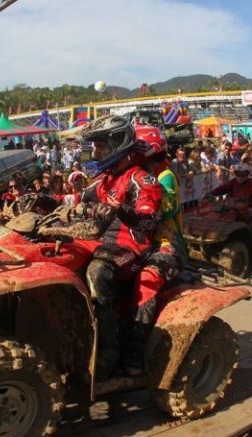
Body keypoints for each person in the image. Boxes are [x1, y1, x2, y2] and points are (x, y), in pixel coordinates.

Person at [75, 115, 162, 379]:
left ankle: (107, 354)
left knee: (97, 272)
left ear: (117, 143)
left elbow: (149, 218)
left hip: (131, 245)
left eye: (100, 146)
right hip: (99, 241)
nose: (96, 152)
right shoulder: (104, 178)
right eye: (95, 147)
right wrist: (44, 199)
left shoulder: (140, 179)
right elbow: (75, 198)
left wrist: (119, 209)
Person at [126, 125, 187, 375]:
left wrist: (134, 207)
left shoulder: (165, 175)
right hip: (143, 241)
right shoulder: (136, 174)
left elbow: (166, 208)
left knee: (147, 279)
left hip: (167, 242)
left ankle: (136, 348)